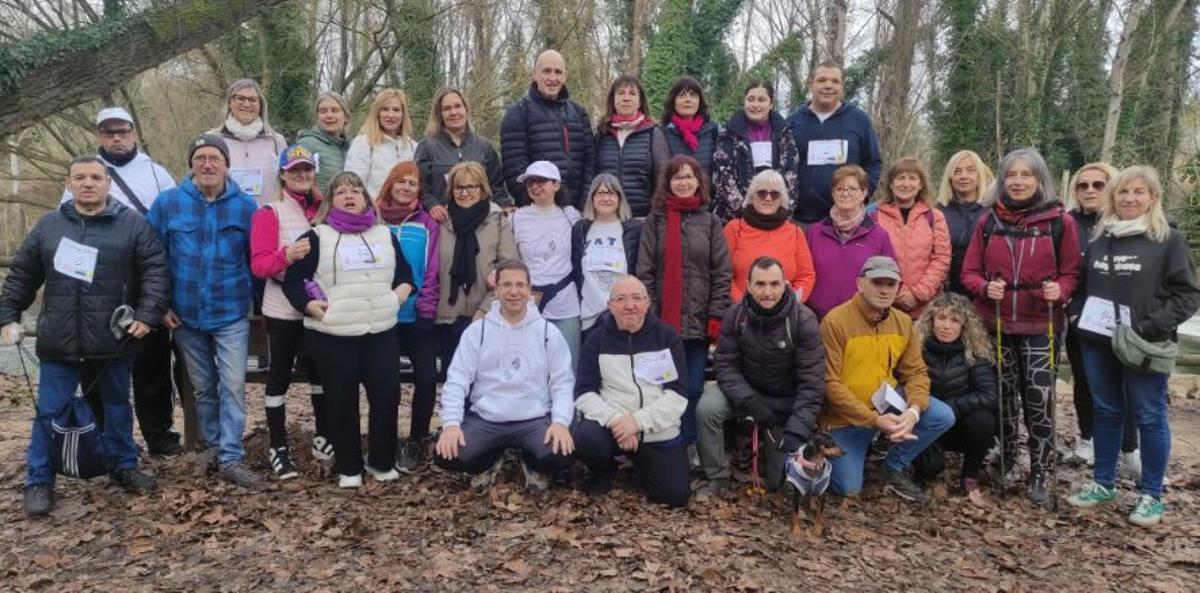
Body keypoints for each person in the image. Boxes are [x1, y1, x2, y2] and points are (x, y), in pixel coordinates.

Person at [2, 155, 169, 516]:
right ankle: (39, 481)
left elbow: (155, 270)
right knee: (49, 412)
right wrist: (7, 317)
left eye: (96, 177)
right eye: (80, 177)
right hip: (59, 341)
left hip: (111, 339)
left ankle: (123, 465)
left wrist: (147, 315)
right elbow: (21, 276)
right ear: (69, 183)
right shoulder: (48, 226)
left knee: (117, 408)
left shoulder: (133, 225)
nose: (88, 183)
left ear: (108, 182)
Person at [1066, 166, 1200, 527]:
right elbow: (1081, 286)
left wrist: (1147, 326)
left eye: (1138, 192)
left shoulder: (1167, 240)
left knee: (1149, 415)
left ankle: (1152, 494)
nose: (1129, 199)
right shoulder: (1100, 238)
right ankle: (1103, 483)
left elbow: (1187, 296)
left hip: (1145, 344)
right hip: (1098, 342)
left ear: (1152, 198)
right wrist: (1076, 313)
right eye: (1123, 192)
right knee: (1106, 411)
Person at [961, 148, 1081, 505]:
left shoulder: (1060, 222)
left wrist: (1061, 290)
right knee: (1003, 399)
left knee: (1039, 400)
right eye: (1011, 175)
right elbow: (969, 271)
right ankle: (1009, 461)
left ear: (1038, 179)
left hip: (1040, 324)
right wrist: (984, 287)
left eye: (1026, 175)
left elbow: (1072, 271)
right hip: (996, 322)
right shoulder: (988, 221)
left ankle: (1041, 469)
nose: (1017, 182)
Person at [282, 171, 415, 488]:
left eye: (356, 190)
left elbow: (406, 274)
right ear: (331, 200)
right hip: (333, 335)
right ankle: (349, 467)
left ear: (366, 199)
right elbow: (293, 281)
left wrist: (397, 298)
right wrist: (310, 306)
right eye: (341, 191)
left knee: (386, 396)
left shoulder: (385, 235)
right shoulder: (315, 237)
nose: (349, 195)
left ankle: (381, 461)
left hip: (380, 330)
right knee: (341, 401)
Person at [63, 106, 181, 456]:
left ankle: (159, 436)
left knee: (152, 368)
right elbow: (66, 235)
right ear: (99, 135)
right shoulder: (83, 175)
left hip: (147, 281)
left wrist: (164, 298)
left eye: (122, 131)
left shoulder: (157, 174)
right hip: (98, 286)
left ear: (133, 133)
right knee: (98, 369)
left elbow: (172, 235)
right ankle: (101, 438)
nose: (116, 137)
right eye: (108, 132)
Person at [147, 134, 262, 488]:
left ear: (227, 165)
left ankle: (231, 457)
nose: (208, 164)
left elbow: (253, 260)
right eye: (201, 158)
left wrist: (258, 308)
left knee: (233, 385)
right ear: (192, 164)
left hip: (230, 314)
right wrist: (160, 306)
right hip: (184, 317)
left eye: (215, 158)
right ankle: (214, 447)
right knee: (202, 389)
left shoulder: (246, 207)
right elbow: (152, 260)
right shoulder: (167, 204)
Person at [820, 256, 954, 502]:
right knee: (848, 489)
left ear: (899, 288)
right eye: (877, 282)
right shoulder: (835, 322)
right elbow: (830, 385)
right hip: (845, 419)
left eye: (890, 284)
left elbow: (915, 372)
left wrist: (913, 411)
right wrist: (874, 420)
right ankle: (854, 449)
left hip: (887, 405)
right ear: (860, 283)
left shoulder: (902, 322)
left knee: (941, 415)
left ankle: (891, 466)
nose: (883, 290)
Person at [434, 260, 575, 491]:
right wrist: (451, 425)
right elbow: (457, 381)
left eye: (520, 285)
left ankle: (532, 463)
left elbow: (562, 383)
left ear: (530, 289)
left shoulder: (548, 333)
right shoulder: (477, 331)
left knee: (562, 454)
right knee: (448, 455)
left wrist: (560, 422)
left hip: (534, 419)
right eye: (506, 284)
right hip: (486, 419)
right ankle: (489, 460)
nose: (513, 291)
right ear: (496, 290)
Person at [696, 256, 825, 495]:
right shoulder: (736, 316)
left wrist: (797, 430)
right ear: (748, 285)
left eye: (774, 284)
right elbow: (725, 364)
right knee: (707, 408)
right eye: (760, 284)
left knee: (778, 484)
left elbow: (812, 383)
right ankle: (717, 477)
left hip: (783, 403)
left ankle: (779, 460)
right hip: (744, 395)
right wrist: (750, 401)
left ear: (786, 284)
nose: (767, 292)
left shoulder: (803, 320)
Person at [637, 155, 731, 445]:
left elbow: (721, 272)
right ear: (668, 183)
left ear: (698, 182)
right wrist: (650, 315)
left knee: (692, 387)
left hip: (698, 322)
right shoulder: (655, 221)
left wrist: (716, 315)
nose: (683, 182)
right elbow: (645, 271)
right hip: (662, 321)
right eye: (677, 177)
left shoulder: (711, 222)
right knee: (661, 387)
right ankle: (661, 440)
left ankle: (688, 442)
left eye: (689, 176)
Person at [249, 144, 330, 479]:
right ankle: (278, 445)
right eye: (295, 170)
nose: (302, 175)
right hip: (283, 306)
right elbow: (259, 264)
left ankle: (324, 435)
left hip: (318, 307)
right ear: (282, 174)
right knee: (279, 376)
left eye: (307, 169)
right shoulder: (270, 212)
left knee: (320, 374)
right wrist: (288, 255)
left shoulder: (324, 208)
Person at [574, 275, 690, 507]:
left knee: (674, 497)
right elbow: (584, 393)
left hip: (656, 429)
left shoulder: (667, 337)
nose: (629, 305)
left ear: (647, 303)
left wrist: (636, 423)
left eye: (637, 298)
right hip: (612, 428)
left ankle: (643, 467)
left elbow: (677, 396)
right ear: (610, 305)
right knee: (587, 437)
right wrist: (619, 422)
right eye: (621, 299)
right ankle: (603, 472)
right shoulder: (596, 340)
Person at [1063, 162, 1138, 468]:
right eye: (1083, 185)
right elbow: (1064, 271)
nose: (1090, 191)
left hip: (1127, 321)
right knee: (1084, 380)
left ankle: (1129, 447)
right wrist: (1072, 312)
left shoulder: (1128, 223)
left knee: (1127, 384)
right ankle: (1088, 439)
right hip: (1083, 319)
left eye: (1098, 184)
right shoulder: (1067, 223)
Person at [376, 161, 441, 473]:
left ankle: (416, 438)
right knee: (386, 383)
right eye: (400, 181)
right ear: (390, 183)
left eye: (412, 183)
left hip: (417, 318)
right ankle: (385, 441)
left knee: (427, 378)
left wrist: (426, 310)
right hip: (383, 318)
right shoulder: (373, 220)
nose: (405, 187)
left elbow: (432, 270)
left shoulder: (427, 223)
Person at [912, 293, 997, 502]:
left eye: (954, 320)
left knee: (983, 421)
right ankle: (924, 469)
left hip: (960, 423)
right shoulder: (916, 348)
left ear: (964, 326)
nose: (946, 326)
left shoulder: (974, 352)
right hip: (925, 421)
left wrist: (951, 407)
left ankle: (969, 475)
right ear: (931, 320)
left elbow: (989, 395)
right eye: (941, 318)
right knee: (930, 467)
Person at [435, 162, 518, 373]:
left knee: (487, 386)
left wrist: (485, 309)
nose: (464, 193)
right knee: (453, 382)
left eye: (471, 187)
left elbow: (509, 269)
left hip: (488, 317)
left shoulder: (497, 222)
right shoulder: (441, 222)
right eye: (458, 187)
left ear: (482, 189)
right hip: (448, 318)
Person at [787, 62, 883, 225]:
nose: (828, 86)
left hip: (845, 221)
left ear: (841, 86)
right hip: (799, 220)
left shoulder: (858, 120)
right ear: (811, 85)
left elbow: (873, 163)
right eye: (822, 80)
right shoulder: (793, 121)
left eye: (835, 81)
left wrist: (861, 197)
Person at [500, 50, 594, 208]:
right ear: (535, 74)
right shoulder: (517, 114)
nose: (552, 78)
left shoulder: (579, 113)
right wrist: (541, 206)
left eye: (558, 72)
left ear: (565, 76)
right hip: (537, 212)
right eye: (546, 71)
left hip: (577, 212)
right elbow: (514, 171)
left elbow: (590, 164)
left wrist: (584, 206)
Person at [512, 161, 583, 366]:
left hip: (565, 300)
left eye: (541, 181)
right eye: (530, 182)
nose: (535, 186)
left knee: (568, 364)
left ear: (556, 185)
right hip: (529, 301)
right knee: (530, 365)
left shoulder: (571, 215)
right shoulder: (517, 217)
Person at [805, 165, 896, 319]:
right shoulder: (815, 232)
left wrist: (879, 307)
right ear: (833, 194)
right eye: (840, 189)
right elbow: (804, 273)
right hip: (819, 320)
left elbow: (893, 278)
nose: (845, 193)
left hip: (862, 319)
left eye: (852, 189)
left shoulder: (878, 234)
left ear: (864, 193)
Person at [872, 157, 952, 318]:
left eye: (912, 178)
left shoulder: (934, 216)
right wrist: (895, 292)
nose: (906, 184)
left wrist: (918, 294)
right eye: (900, 178)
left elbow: (942, 258)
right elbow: (870, 259)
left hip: (926, 309)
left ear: (921, 184)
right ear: (891, 184)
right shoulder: (875, 217)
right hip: (886, 307)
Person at [414, 87, 509, 222]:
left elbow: (497, 186)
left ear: (466, 109)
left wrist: (505, 205)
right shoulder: (427, 146)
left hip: (481, 221)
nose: (453, 112)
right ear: (439, 114)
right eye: (447, 109)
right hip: (444, 223)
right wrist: (432, 205)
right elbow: (420, 187)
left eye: (458, 106)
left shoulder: (484, 146)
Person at [711, 80, 800, 223]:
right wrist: (745, 211)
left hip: (775, 215)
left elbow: (791, 175)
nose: (755, 105)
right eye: (750, 99)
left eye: (761, 100)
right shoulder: (728, 133)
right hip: (736, 217)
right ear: (744, 101)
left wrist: (781, 210)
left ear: (771, 104)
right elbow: (722, 176)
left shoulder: (784, 133)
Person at [723, 169, 815, 304]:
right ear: (751, 197)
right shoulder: (734, 229)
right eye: (761, 193)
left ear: (782, 199)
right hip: (742, 311)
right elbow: (722, 275)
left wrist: (790, 303)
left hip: (785, 313)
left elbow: (806, 276)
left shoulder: (795, 232)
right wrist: (743, 304)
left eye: (774, 194)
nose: (768, 198)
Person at [571, 174, 642, 337]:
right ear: (592, 198)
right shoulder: (580, 230)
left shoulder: (634, 229)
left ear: (619, 198)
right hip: (589, 318)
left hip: (623, 317)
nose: (606, 198)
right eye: (600, 193)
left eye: (611, 193)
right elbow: (575, 271)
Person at [594, 75, 670, 217]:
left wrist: (655, 214)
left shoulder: (654, 133)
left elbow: (663, 178)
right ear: (613, 100)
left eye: (632, 93)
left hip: (642, 219)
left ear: (640, 101)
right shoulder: (601, 135)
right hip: (606, 218)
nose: (626, 98)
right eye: (621, 93)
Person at [209, 79, 288, 205]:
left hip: (266, 218)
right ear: (230, 102)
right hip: (224, 218)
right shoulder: (212, 139)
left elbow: (287, 183)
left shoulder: (276, 141)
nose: (246, 104)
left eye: (252, 100)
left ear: (260, 104)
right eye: (240, 98)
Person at [936, 150, 994, 296]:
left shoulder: (993, 211)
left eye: (970, 170)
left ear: (979, 175)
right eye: (957, 171)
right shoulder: (937, 211)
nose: (963, 176)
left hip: (984, 292)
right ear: (949, 177)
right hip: (947, 292)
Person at [345, 88, 417, 199]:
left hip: (408, 213)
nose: (390, 115)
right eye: (385, 109)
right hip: (374, 212)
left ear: (403, 114)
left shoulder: (413, 146)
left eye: (396, 110)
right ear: (377, 113)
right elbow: (353, 185)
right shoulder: (363, 143)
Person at [659, 76, 720, 186]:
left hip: (707, 198)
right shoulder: (662, 133)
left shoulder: (713, 131)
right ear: (673, 101)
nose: (688, 99)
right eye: (682, 95)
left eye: (693, 95)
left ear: (699, 101)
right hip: (675, 198)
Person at [295, 91, 352, 194]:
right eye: (323, 111)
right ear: (317, 117)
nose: (329, 115)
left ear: (346, 116)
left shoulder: (353, 148)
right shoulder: (305, 145)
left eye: (335, 110)